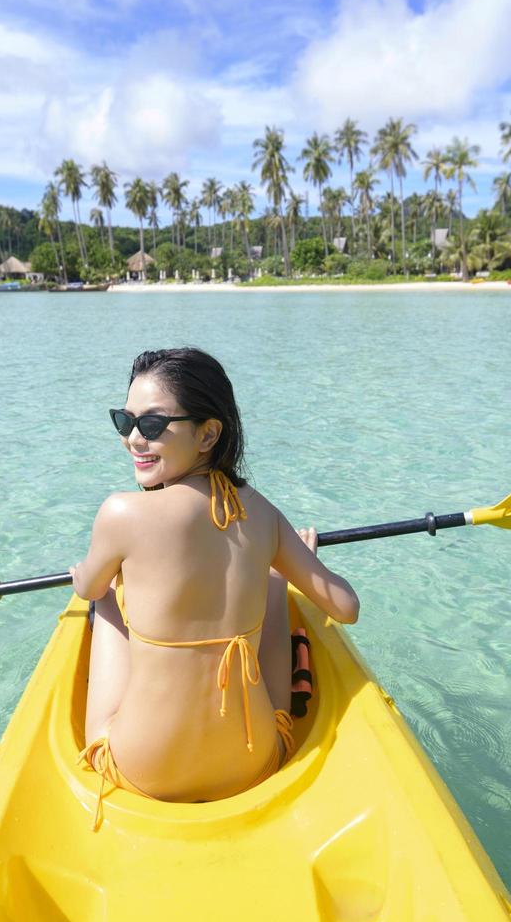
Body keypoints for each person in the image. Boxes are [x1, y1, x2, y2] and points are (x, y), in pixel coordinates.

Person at [70, 347, 359, 828]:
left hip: (144, 770)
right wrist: (293, 562)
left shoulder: (121, 514)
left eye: (154, 425)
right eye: (125, 422)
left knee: (104, 598)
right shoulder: (262, 514)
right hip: (251, 764)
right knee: (272, 581)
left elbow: (87, 585)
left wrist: (89, 574)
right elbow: (345, 607)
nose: (134, 440)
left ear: (208, 433)